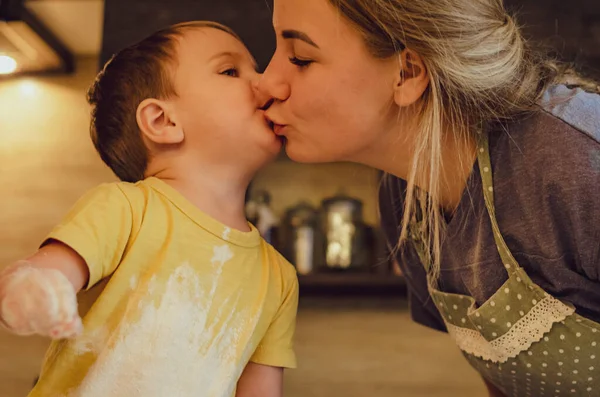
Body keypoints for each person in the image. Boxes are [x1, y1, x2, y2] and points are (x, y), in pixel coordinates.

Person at [258, 0, 600, 396]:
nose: (266, 83)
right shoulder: (404, 196)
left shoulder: (573, 160)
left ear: (407, 73)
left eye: (300, 58)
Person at [0, 21, 298, 397]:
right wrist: (32, 288)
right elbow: (44, 273)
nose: (266, 83)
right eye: (230, 71)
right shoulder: (125, 210)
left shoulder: (279, 278)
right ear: (163, 120)